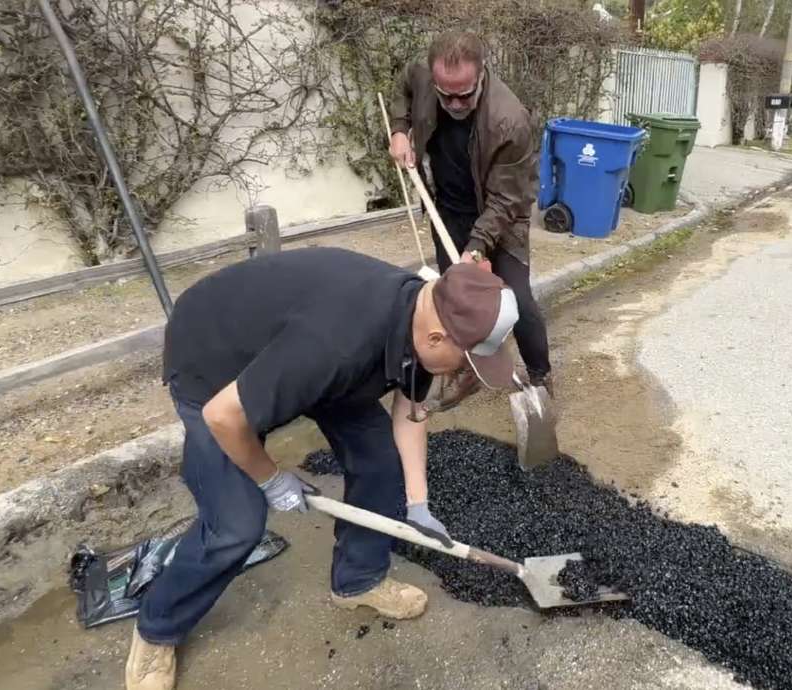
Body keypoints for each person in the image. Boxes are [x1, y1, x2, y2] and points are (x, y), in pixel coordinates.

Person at [125, 247, 519, 690]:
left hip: (301, 356)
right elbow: (224, 416)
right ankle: (157, 629)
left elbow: (409, 411)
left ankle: (358, 581)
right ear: (435, 339)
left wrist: (418, 502)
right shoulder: (338, 345)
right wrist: (271, 479)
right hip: (214, 360)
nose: (464, 372)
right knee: (236, 524)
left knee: (380, 463)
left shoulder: (423, 314)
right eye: (466, 361)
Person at [388, 30, 552, 410]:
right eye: (446, 96)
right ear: (434, 79)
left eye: (465, 94)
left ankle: (541, 378)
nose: (455, 104)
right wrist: (399, 130)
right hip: (447, 209)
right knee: (455, 301)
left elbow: (508, 198)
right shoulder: (423, 75)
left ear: (481, 74)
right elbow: (404, 87)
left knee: (517, 299)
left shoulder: (510, 120)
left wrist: (476, 248)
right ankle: (466, 370)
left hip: (501, 215)